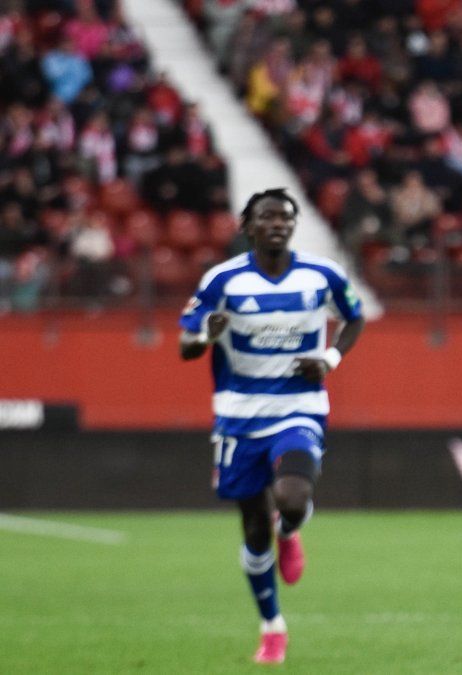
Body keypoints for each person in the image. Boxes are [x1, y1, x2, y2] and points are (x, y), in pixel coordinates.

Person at [178, 189, 365, 664]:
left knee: (292, 497)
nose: (278, 223)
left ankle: (292, 529)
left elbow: (355, 316)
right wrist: (206, 335)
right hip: (239, 417)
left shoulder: (321, 274)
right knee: (254, 528)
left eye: (286, 216)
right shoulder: (223, 281)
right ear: (249, 227)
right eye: (268, 217)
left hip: (299, 407)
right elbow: (186, 343)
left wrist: (329, 356)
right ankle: (272, 625)